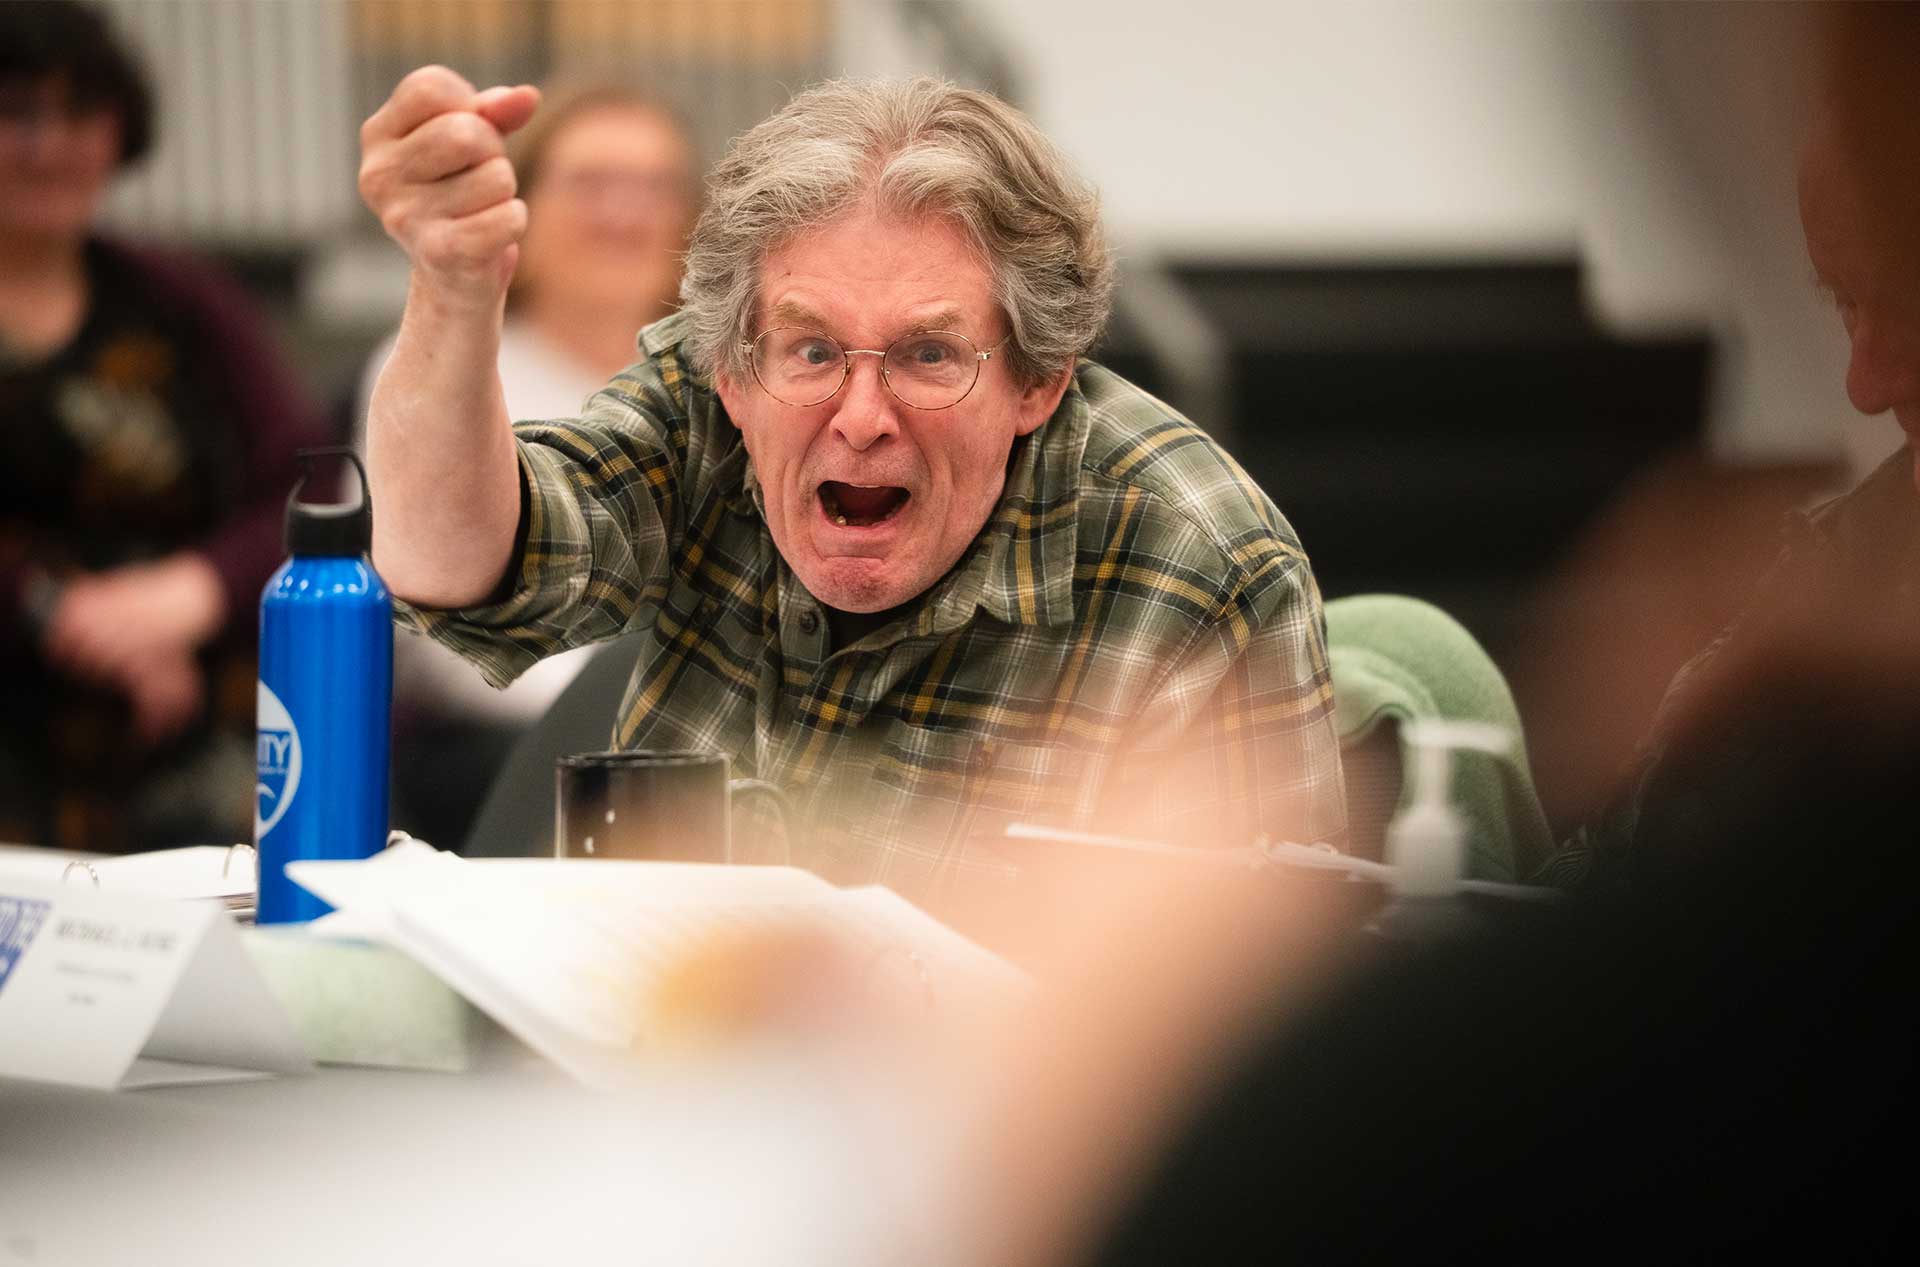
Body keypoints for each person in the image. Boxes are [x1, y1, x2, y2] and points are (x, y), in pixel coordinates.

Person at [356, 67, 1346, 900]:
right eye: (813, 349)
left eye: (928, 353)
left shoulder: (1203, 569)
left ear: (1038, 381)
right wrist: (452, 286)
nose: (862, 416)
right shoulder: (709, 407)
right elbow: (460, 567)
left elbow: (1265, 1021)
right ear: (733, 371)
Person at [1542, 1, 1920, 890]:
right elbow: (1599, 886)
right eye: (1844, 303)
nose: (1865, 383)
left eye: (1909, 302)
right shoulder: (1835, 567)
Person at [0, 0, 324, 851]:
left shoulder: (185, 301)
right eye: (15, 113)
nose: (47, 146)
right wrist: (62, 614)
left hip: (195, 698)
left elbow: (311, 479)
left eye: (80, 114)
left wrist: (190, 592)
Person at [353, 81, 699, 850]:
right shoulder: (443, 362)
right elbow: (426, 617)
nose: (623, 214)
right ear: (521, 205)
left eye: (654, 186)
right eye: (591, 184)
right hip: (499, 751)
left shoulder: (727, 379)